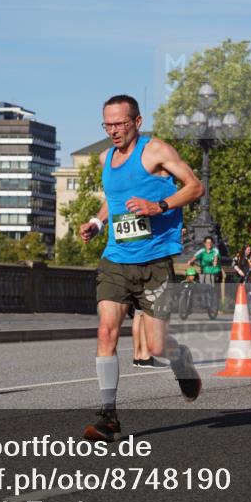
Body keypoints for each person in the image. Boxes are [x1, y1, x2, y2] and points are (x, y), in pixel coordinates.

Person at [78, 94, 204, 442]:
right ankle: (109, 416)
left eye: (119, 123)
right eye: (108, 124)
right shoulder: (106, 157)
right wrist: (97, 222)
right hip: (116, 259)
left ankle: (181, 359)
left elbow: (195, 186)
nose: (113, 130)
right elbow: (114, 201)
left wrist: (158, 205)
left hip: (155, 263)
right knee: (106, 331)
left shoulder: (156, 151)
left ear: (137, 121)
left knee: (157, 347)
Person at [188, 236, 222, 310]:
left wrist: (215, 261)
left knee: (210, 286)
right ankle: (203, 301)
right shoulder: (202, 251)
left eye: (210, 242)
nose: (208, 244)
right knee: (201, 284)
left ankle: (213, 303)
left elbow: (216, 255)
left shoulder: (215, 250)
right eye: (207, 242)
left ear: (212, 243)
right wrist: (190, 261)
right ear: (204, 243)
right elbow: (195, 256)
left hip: (214, 271)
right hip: (205, 272)